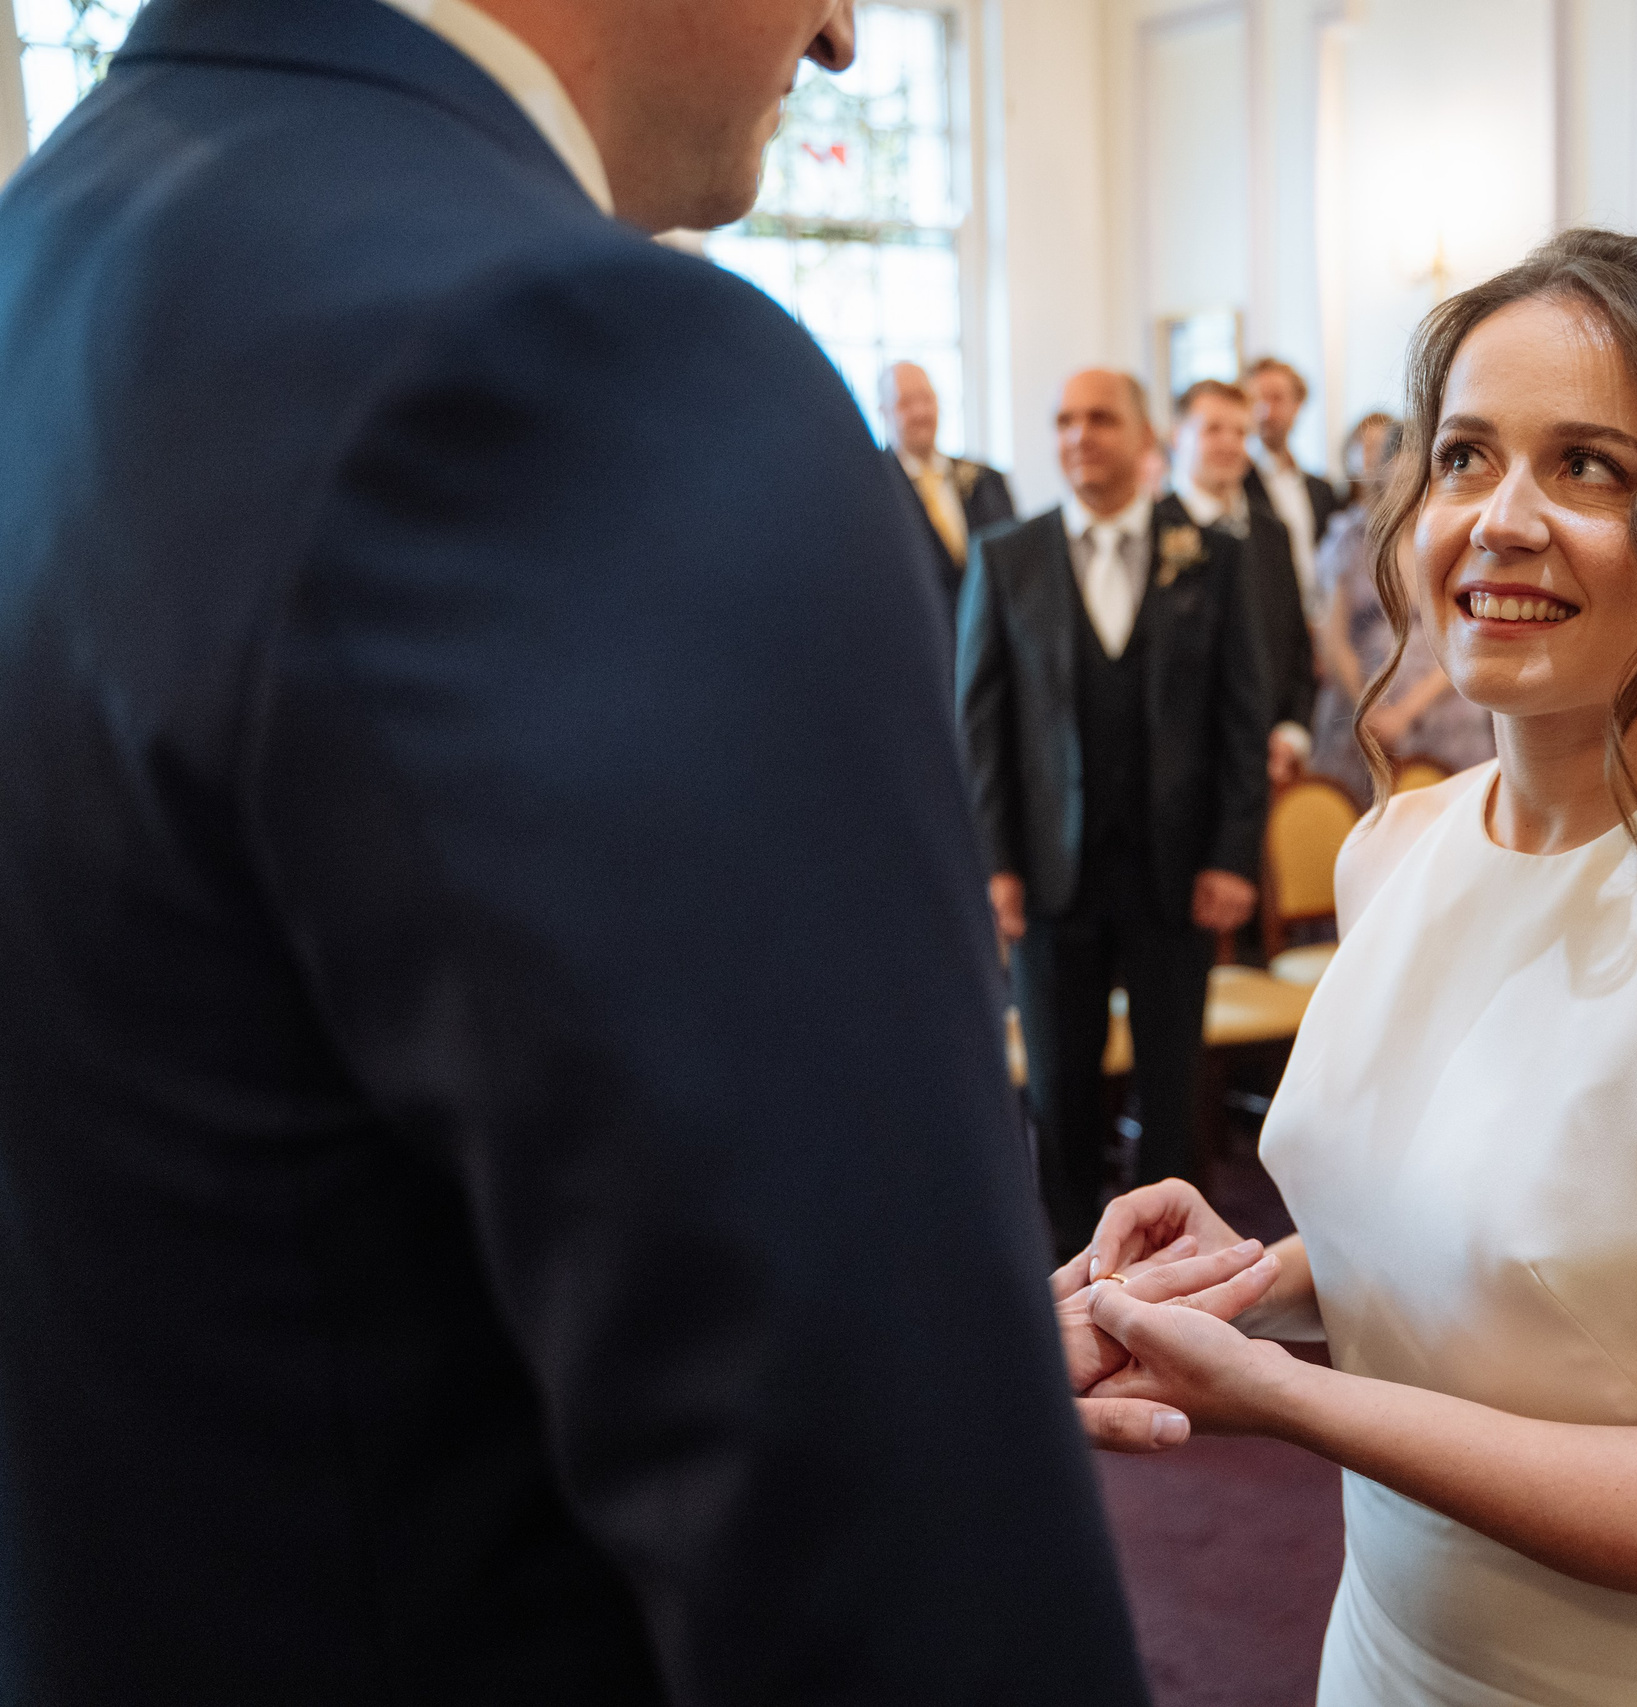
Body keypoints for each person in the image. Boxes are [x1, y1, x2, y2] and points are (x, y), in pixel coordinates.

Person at [0, 1, 1156, 1701]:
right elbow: (891, 1568)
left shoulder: (53, 254)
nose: (844, 34)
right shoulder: (572, 363)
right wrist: (910, 1366)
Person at [1070, 229, 1637, 1705]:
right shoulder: (1392, 847)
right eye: (1465, 455)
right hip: (1394, 1650)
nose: (1499, 518)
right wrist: (1239, 1285)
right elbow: (1503, 1266)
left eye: (1592, 466)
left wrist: (1289, 1400)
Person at [956, 369, 1269, 1255]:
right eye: (1063, 421)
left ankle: (1172, 1283)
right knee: (1059, 1094)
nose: (1078, 436)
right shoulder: (1009, 557)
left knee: (1172, 1093)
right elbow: (981, 728)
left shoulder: (1212, 554)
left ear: (1144, 440)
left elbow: (1242, 719)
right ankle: (1067, 1282)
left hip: (1177, 874)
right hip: (1054, 877)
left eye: (1099, 419)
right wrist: (996, 865)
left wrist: (1233, 856)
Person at [1310, 413, 1495, 806]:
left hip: (1444, 714)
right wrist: (1368, 703)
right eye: (1400, 469)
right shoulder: (1353, 536)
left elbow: (1469, 630)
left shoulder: (1457, 540)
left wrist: (1407, 711)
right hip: (1360, 712)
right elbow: (1333, 635)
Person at [1173, 378, 1320, 790]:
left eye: (1240, 432)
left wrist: (1292, 732)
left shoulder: (1272, 533)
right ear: (1178, 435)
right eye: (1212, 429)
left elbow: (1295, 644)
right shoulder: (1156, 530)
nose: (1229, 443)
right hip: (1184, 768)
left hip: (1271, 763)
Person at [881, 360, 1015, 608]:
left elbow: (1015, 564)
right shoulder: (875, 488)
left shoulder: (987, 480)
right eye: (906, 403)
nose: (921, 412)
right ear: (884, 411)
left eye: (927, 399)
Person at [1243, 354, 1346, 617]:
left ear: (1297, 406)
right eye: (1257, 400)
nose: (1266, 411)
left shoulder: (1321, 490)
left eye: (1277, 398)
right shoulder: (1238, 484)